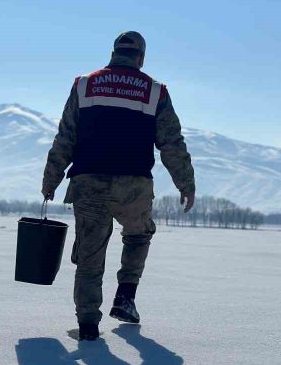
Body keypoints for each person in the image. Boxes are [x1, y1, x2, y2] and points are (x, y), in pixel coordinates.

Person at [42, 31, 195, 341]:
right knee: (139, 234)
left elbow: (65, 137)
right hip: (134, 185)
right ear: (141, 57)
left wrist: (51, 179)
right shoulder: (155, 92)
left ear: (113, 53)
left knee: (90, 255)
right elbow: (171, 143)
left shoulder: (84, 85)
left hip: (88, 182)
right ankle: (126, 295)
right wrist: (185, 182)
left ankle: (87, 326)